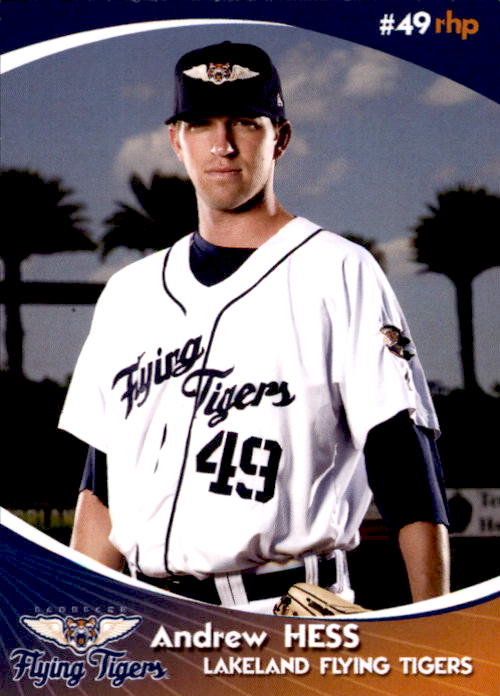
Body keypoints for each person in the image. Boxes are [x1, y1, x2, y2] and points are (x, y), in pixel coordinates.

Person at [59, 41, 450, 613]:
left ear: (280, 138)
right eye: (201, 123)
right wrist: (77, 639)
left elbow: (406, 470)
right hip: (148, 624)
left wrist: (431, 634)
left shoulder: (337, 269)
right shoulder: (130, 294)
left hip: (284, 615)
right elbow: (102, 490)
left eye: (245, 121)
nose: (222, 144)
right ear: (177, 140)